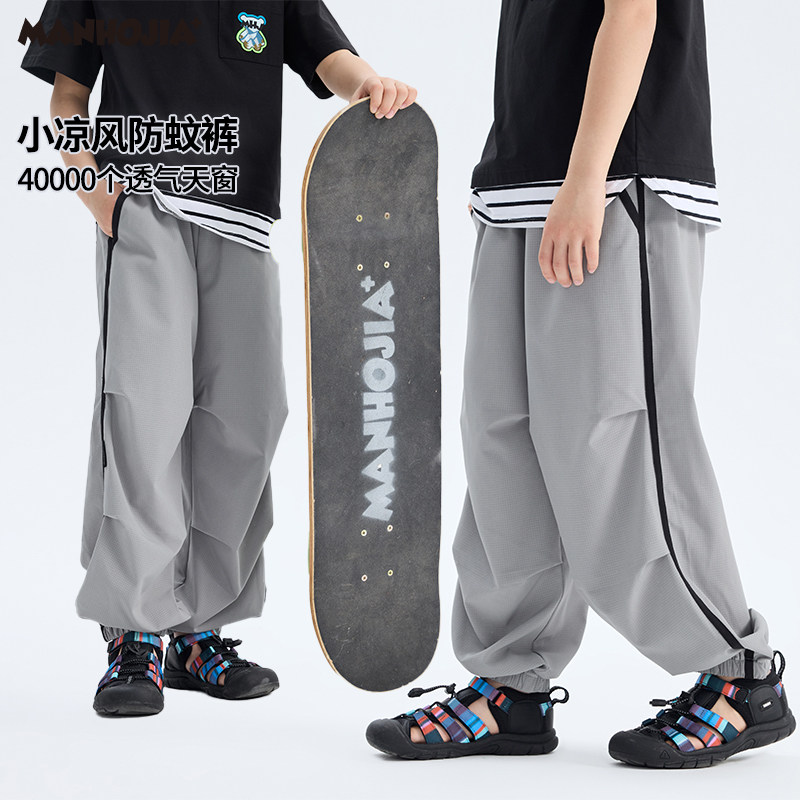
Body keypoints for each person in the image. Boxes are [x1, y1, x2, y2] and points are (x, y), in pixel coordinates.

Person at [366, 0, 795, 767]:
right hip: (521, 181)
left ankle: (739, 673)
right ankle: (511, 684)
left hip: (614, 175)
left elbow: (632, 13)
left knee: (611, 437)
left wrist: (586, 179)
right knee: (502, 436)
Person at [21, 0, 416, 717]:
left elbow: (327, 56)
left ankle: (199, 632)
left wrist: (369, 85)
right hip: (143, 205)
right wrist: (93, 187)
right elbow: (67, 96)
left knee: (248, 418)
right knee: (145, 413)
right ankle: (135, 631)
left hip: (243, 219)